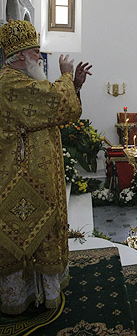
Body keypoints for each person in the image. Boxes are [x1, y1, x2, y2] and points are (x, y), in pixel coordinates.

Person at [0, 19, 92, 315]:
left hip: (36, 173)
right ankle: (21, 296)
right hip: (20, 177)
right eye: (35, 52)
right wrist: (67, 78)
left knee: (41, 230)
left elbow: (58, 110)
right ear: (20, 57)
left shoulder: (25, 82)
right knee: (23, 233)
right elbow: (53, 101)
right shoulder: (10, 84)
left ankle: (41, 292)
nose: (40, 57)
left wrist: (74, 86)